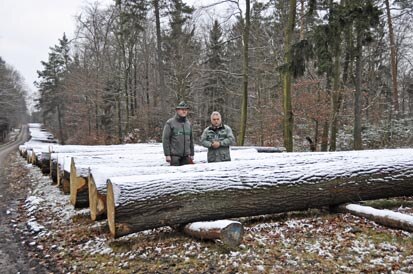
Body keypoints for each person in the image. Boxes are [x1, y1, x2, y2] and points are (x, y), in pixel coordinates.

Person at [162, 101, 194, 166]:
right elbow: (165, 140)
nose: (184, 111)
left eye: (186, 110)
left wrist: (192, 154)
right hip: (174, 157)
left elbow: (191, 140)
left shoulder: (188, 124)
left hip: (186, 156)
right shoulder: (170, 123)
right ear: (177, 110)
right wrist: (167, 154)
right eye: (182, 110)